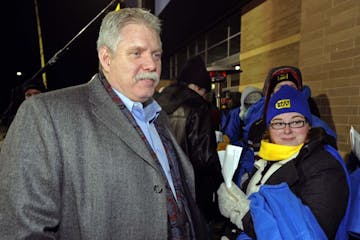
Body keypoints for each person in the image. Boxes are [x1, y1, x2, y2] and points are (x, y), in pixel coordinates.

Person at [0, 8, 209, 239]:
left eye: (156, 54)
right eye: (137, 53)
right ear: (106, 59)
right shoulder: (45, 115)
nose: (151, 64)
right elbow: (22, 229)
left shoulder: (159, 117)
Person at [217, 85, 349, 239]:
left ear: (309, 125)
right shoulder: (266, 158)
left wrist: (243, 214)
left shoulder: (325, 169)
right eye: (279, 123)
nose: (287, 130)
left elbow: (306, 235)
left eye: (296, 122)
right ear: (269, 128)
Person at [156, 55, 223, 225]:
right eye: (203, 91)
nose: (203, 95)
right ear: (195, 86)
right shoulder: (197, 106)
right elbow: (204, 157)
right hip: (193, 189)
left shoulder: (155, 103)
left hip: (162, 186)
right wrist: (220, 179)